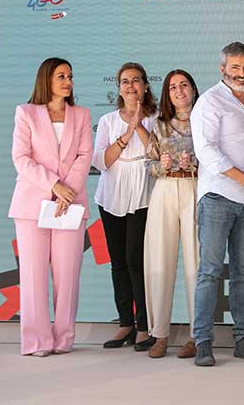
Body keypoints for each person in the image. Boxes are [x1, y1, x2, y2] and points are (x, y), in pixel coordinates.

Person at [191, 42, 244, 367]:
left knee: (242, 274)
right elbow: (206, 152)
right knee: (210, 272)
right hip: (217, 198)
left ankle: (243, 338)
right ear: (222, 68)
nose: (242, 73)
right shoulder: (208, 101)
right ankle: (203, 342)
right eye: (235, 67)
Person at [9, 58, 93, 356]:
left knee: (67, 274)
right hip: (32, 204)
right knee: (32, 276)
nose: (67, 81)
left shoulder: (81, 115)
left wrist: (66, 191)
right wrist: (53, 186)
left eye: (70, 75)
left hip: (70, 205)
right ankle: (37, 341)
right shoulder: (26, 113)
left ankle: (63, 339)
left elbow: (84, 156)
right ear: (46, 79)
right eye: (61, 76)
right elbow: (21, 158)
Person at [93, 62, 158, 351]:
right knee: (117, 261)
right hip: (111, 194)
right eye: (124, 81)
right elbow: (102, 161)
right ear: (118, 88)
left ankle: (144, 326)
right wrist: (125, 133)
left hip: (143, 193)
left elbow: (156, 151)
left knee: (136, 260)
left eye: (135, 80)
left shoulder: (156, 117)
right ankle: (124, 324)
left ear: (145, 85)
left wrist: (138, 125)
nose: (130, 86)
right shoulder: (107, 120)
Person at [143, 69, 200, 359]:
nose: (179, 91)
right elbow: (148, 165)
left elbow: (216, 161)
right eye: (173, 87)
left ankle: (196, 335)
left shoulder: (205, 120)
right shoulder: (160, 125)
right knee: (159, 261)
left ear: (193, 88)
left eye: (184, 85)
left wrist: (195, 164)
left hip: (194, 189)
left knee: (196, 264)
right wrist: (161, 165)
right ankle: (160, 334)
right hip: (165, 189)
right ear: (167, 94)